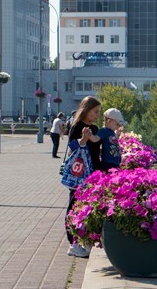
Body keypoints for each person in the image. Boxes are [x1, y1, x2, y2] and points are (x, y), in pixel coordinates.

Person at [65, 96, 102, 258]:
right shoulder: (77, 126)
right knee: (74, 206)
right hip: (79, 174)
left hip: (93, 172)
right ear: (86, 110)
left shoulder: (94, 128)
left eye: (99, 112)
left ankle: (83, 241)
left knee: (87, 208)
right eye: (95, 112)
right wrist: (84, 139)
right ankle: (73, 243)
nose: (97, 115)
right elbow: (73, 148)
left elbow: (98, 148)